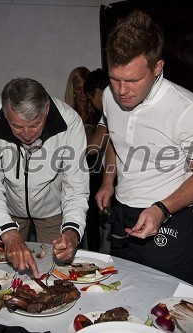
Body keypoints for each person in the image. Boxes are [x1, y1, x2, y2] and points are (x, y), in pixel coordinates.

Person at [95, 10, 193, 287]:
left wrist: (161, 209)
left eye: (134, 81)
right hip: (122, 215)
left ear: (158, 67)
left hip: (170, 219)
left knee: (172, 311)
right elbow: (115, 139)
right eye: (115, 78)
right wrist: (108, 181)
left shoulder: (190, 110)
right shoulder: (108, 95)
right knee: (122, 299)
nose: (122, 90)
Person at [0, 78, 89, 277]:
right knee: (5, 274)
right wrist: (8, 232)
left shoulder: (69, 122)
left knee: (54, 274)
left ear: (46, 109)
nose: (27, 135)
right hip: (9, 209)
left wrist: (72, 231)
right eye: (17, 127)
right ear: (5, 114)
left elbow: (76, 186)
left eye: (35, 125)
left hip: (52, 209)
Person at [81, 68, 111, 251]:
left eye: (91, 98)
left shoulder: (110, 111)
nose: (92, 103)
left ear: (98, 93)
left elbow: (93, 147)